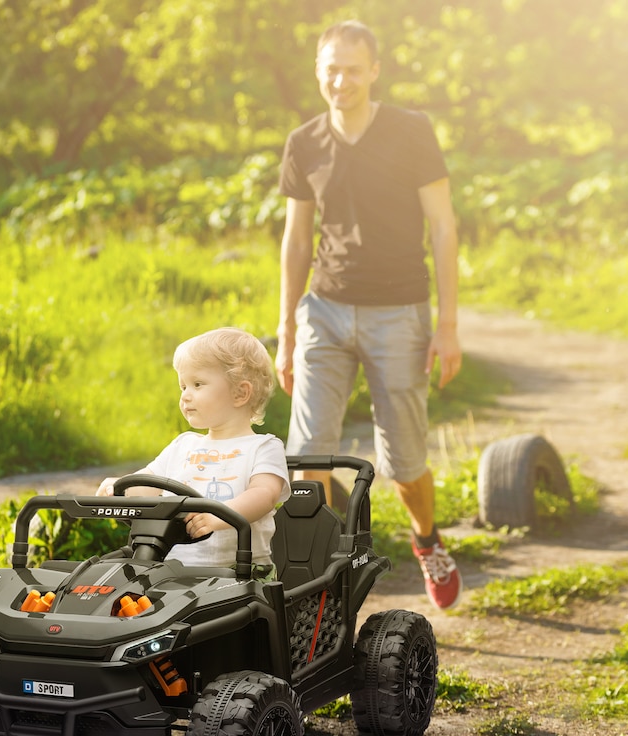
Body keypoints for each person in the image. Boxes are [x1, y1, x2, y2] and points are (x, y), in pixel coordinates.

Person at [275, 19, 463, 610]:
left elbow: (443, 224)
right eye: (331, 69)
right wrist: (285, 329)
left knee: (404, 461)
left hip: (399, 313)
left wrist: (448, 324)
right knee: (306, 458)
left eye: (353, 69)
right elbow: (296, 239)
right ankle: (327, 572)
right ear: (318, 72)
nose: (341, 80)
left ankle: (426, 540)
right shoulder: (304, 142)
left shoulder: (411, 131)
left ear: (374, 70)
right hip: (324, 312)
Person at [97, 327, 291, 577]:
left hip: (242, 575)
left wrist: (218, 516)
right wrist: (120, 488)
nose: (185, 396)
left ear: (240, 393)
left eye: (197, 384)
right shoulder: (184, 445)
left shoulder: (263, 447)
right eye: (182, 386)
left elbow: (264, 496)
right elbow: (148, 482)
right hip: (171, 572)